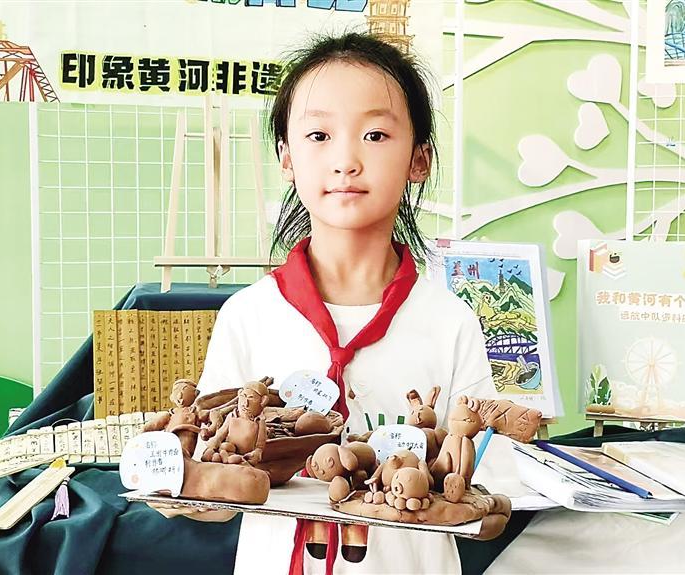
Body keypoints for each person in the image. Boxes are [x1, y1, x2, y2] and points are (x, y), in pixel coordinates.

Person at [158, 31, 508, 574]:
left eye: (375, 134)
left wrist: (482, 504)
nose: (345, 160)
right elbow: (220, 490)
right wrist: (177, 483)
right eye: (319, 135)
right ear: (286, 158)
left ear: (419, 159)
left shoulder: (449, 321)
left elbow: (485, 481)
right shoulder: (248, 316)